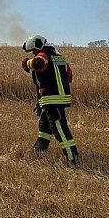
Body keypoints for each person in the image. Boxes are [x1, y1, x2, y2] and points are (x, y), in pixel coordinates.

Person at [22, 35, 79, 167]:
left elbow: (39, 63)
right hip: (56, 97)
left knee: (59, 128)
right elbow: (69, 76)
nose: (34, 54)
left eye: (33, 52)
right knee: (45, 126)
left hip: (52, 98)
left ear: (37, 47)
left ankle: (72, 159)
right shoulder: (59, 57)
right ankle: (39, 149)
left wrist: (27, 63)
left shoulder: (43, 55)